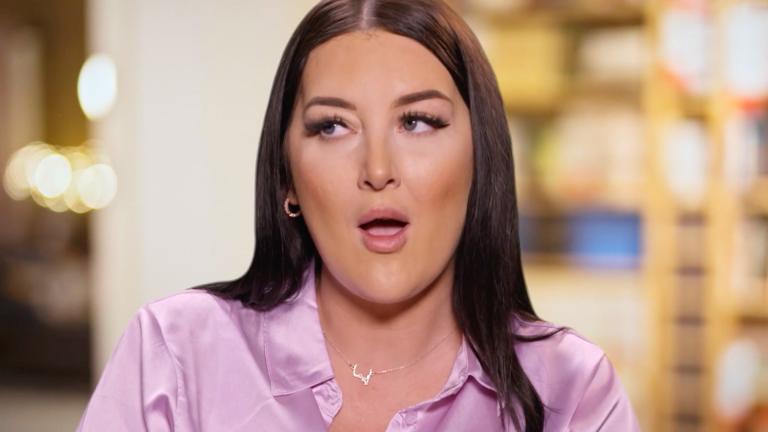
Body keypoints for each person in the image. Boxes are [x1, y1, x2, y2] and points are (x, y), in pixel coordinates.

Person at [76, 0, 641, 430]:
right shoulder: (175, 357)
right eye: (332, 126)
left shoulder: (572, 393)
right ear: (287, 178)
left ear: (481, 160)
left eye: (417, 121)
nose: (377, 169)